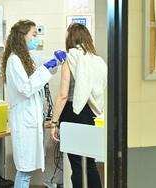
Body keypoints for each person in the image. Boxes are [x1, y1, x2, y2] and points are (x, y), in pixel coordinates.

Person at [1, 19, 66, 188]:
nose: (37, 38)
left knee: (26, 172)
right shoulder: (14, 60)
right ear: (22, 37)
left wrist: (55, 61)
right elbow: (26, 88)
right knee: (24, 172)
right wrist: (46, 69)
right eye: (34, 34)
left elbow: (42, 64)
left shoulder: (26, 58)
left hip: (30, 121)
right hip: (24, 121)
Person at [50, 23, 107, 188]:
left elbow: (63, 95)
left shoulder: (70, 58)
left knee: (77, 165)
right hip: (91, 114)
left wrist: (54, 122)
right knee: (89, 163)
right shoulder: (97, 60)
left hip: (73, 113)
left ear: (71, 38)